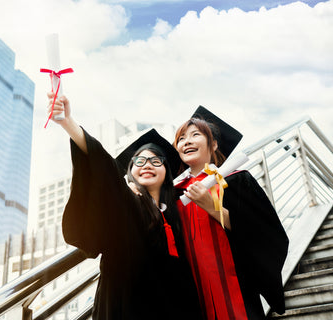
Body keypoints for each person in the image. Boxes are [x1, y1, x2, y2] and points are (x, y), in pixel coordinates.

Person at [47, 92, 203, 319]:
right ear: (130, 173)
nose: (147, 164)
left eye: (156, 160)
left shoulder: (179, 210)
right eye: (139, 161)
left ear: (167, 172)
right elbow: (104, 168)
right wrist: (68, 123)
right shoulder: (127, 204)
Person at [173, 106, 289, 319]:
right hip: (191, 295)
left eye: (195, 135)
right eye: (181, 139)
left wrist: (211, 206)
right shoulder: (173, 194)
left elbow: (263, 234)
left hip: (236, 291)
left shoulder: (236, 181)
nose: (186, 141)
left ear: (214, 144)